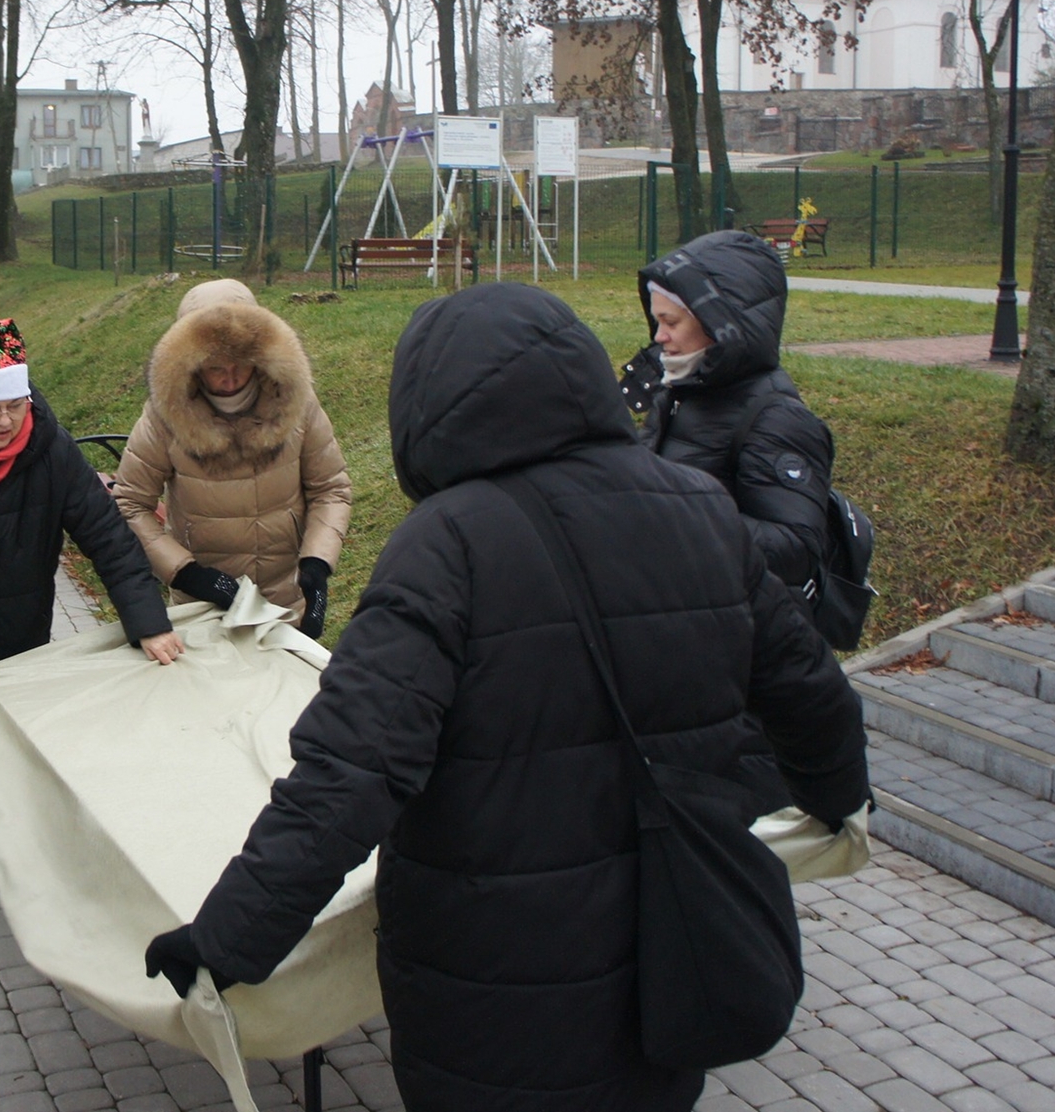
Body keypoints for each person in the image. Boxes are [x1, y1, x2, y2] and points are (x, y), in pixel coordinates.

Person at [142, 284, 868, 1111]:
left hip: (494, 987)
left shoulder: (445, 546)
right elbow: (814, 697)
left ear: (432, 404)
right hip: (675, 947)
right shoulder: (701, 510)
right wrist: (838, 801)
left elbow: (350, 771)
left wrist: (228, 937)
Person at [0, 316, 183, 667]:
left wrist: (148, 622)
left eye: (16, 405)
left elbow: (108, 537)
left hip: (24, 643)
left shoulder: (50, 450)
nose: (5, 421)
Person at [113, 279, 351, 638]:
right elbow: (130, 504)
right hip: (203, 605)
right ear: (191, 365)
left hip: (284, 599)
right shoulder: (165, 417)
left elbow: (331, 489)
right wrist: (186, 572)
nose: (230, 378)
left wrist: (317, 565)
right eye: (214, 367)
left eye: (240, 363)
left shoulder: (296, 403)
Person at [636, 229, 836, 602]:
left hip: (739, 632)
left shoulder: (777, 419)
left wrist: (676, 522)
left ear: (716, 322)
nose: (659, 337)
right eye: (657, 321)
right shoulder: (679, 395)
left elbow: (798, 549)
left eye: (672, 322)